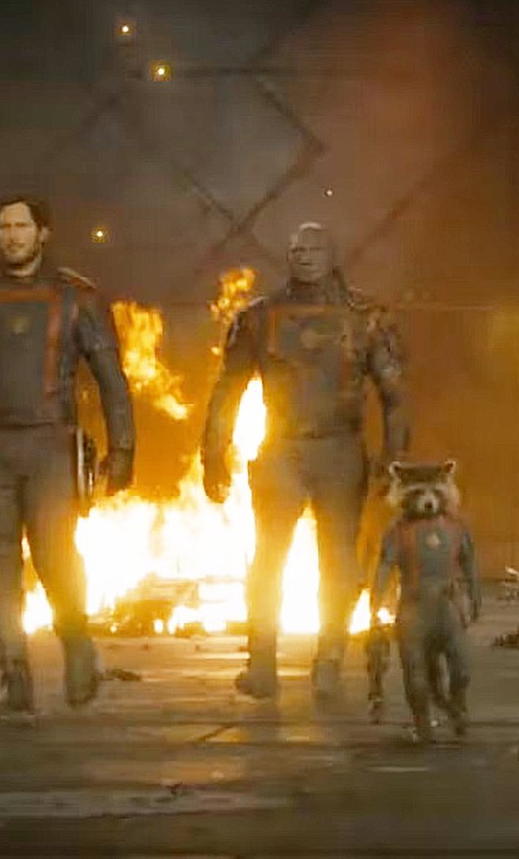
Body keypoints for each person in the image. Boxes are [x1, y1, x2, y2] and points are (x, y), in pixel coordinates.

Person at [0, 196, 135, 719]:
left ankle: (77, 647)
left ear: (42, 233)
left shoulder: (76, 299)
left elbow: (112, 379)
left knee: (56, 557)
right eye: (4, 227)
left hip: (50, 445)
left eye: (22, 226)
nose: (12, 235)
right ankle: (14, 678)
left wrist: (123, 447)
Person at [200, 222, 409, 700]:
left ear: (332, 255)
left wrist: (394, 458)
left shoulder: (365, 318)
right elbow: (228, 391)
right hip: (281, 450)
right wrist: (213, 453)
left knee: (338, 560)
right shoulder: (259, 318)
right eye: (296, 249)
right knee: (268, 558)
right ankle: (261, 664)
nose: (305, 256)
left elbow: (395, 395)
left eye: (314, 248)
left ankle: (330, 660)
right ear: (287, 256)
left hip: (340, 451)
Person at [372, 460, 481, 744]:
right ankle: (422, 722)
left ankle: (456, 705)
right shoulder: (398, 531)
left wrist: (475, 595)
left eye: (435, 493)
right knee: (416, 674)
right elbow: (385, 566)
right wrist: (376, 603)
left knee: (461, 667)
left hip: (448, 606)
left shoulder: (456, 527)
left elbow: (469, 562)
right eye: (419, 494)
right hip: (413, 608)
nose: (429, 501)